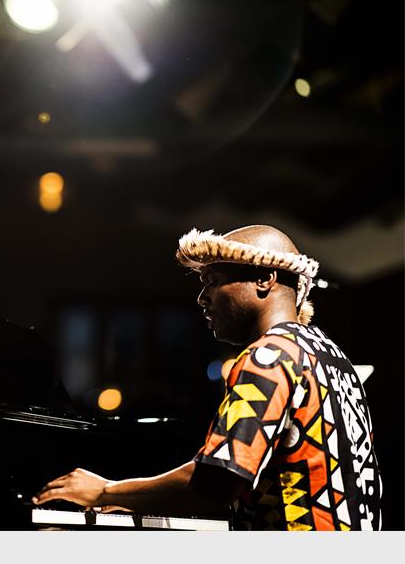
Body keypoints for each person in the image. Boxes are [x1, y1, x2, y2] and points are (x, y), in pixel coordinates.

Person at [33, 225, 382, 531]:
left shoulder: (269, 356)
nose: (202, 299)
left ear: (265, 279)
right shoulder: (330, 356)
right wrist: (143, 499)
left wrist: (105, 490)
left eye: (213, 282)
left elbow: (215, 484)